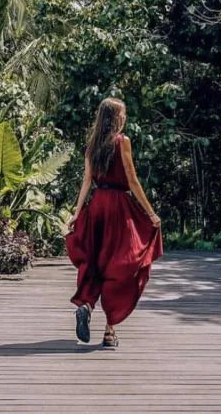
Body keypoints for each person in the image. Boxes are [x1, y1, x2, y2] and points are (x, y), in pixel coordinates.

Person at [65, 97, 163, 348]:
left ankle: (86, 306)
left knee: (96, 263)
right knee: (121, 266)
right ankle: (109, 332)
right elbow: (132, 180)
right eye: (123, 113)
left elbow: (87, 181)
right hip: (119, 208)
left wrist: (77, 213)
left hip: (97, 206)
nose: (125, 117)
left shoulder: (92, 145)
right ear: (115, 118)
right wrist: (150, 213)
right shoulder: (122, 142)